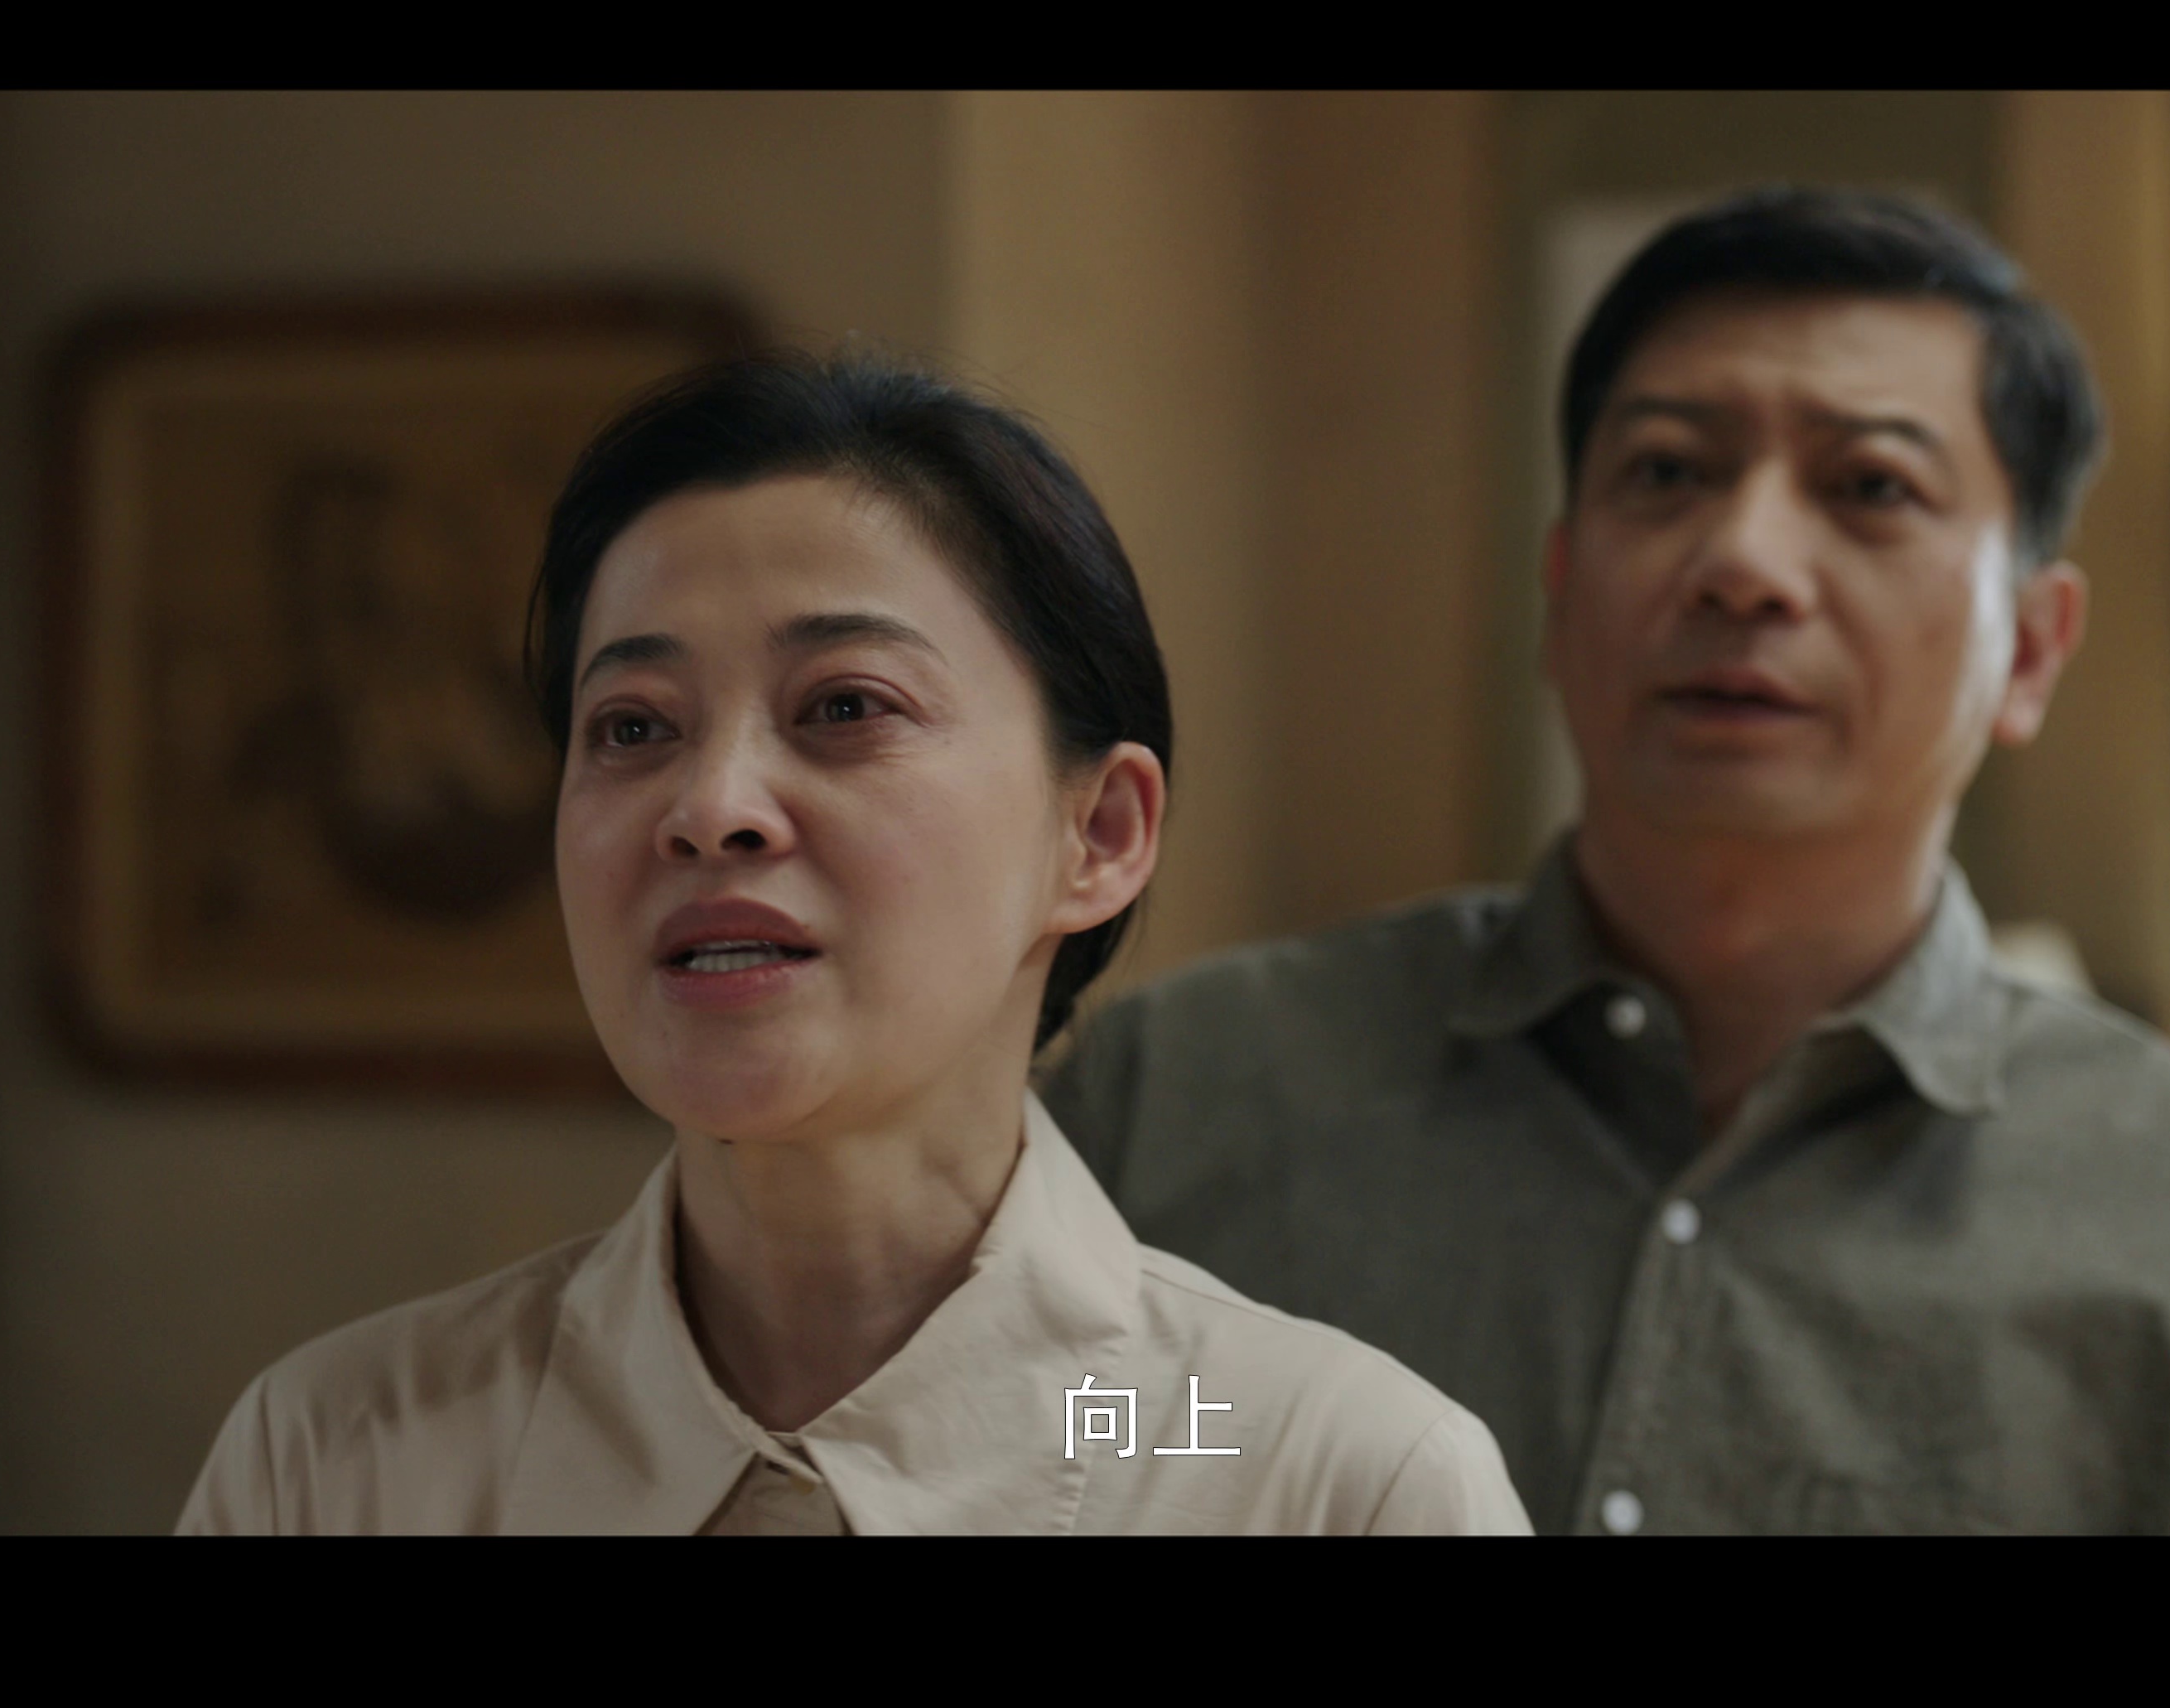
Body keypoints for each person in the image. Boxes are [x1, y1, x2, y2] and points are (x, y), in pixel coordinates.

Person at [1041, 187, 2170, 1535]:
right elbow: (1040, 1446)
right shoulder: (1182, 1102)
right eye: (1668, 473)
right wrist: (1232, 1440)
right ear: (1559, 590)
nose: (1743, 562)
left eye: (1872, 487)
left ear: (2032, 648)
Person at [177, 354, 1529, 1535]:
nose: (711, 807)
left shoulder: (1313, 1480)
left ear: (1099, 833)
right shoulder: (343, 1459)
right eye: (634, 727)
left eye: (843, 706)